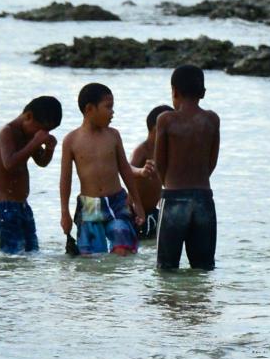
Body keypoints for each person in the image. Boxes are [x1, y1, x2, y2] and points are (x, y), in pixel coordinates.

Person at [59, 83, 149, 256]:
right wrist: (65, 212)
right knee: (91, 256)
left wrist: (137, 202)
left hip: (116, 201)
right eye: (108, 107)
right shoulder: (71, 140)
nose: (112, 112)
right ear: (89, 109)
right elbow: (66, 179)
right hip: (90, 204)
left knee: (124, 247)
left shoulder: (113, 135)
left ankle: (119, 283)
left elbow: (124, 169)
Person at [151, 66, 220, 270]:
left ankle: (172, 302)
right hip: (203, 199)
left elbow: (159, 162)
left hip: (174, 199)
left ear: (174, 91)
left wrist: (168, 183)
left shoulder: (165, 119)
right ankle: (198, 302)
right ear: (203, 92)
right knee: (203, 268)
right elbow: (211, 162)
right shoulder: (212, 120)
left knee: (166, 269)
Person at [0, 95, 62, 254]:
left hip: (22, 205)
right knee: (13, 255)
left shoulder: (29, 134)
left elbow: (41, 162)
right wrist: (35, 142)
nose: (43, 134)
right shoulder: (7, 133)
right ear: (28, 116)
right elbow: (10, 164)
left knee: (31, 252)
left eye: (48, 131)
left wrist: (49, 149)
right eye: (42, 129)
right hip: (3, 207)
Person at [129, 104, 172, 239]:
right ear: (156, 129)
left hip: (153, 210)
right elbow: (128, 170)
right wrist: (141, 171)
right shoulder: (143, 150)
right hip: (135, 211)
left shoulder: (165, 152)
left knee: (154, 245)